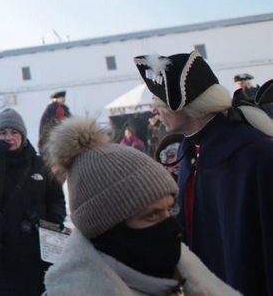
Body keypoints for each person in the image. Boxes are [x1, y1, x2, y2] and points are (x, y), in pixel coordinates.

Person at [43, 117, 239, 296]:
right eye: (151, 215)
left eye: (170, 210)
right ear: (107, 230)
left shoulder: (181, 278)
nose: (175, 229)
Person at [135, 51, 273, 295]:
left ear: (188, 107)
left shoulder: (254, 153)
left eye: (160, 105)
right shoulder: (191, 152)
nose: (156, 113)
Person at [0, 108, 65, 296]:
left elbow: (55, 196)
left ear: (22, 135)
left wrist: (54, 222)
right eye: (2, 133)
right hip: (4, 255)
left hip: (39, 253)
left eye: (14, 132)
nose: (9, 137)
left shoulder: (39, 164)